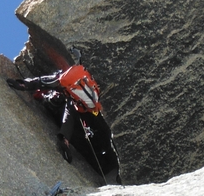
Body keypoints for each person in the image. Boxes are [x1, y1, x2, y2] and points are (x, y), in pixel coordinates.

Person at [7, 55, 121, 183]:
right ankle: (114, 161)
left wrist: (23, 85)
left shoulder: (63, 84)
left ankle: (108, 165)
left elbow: (42, 82)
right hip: (93, 112)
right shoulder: (79, 77)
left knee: (89, 146)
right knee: (103, 136)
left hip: (82, 115)